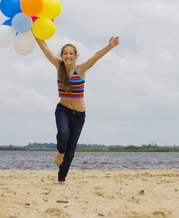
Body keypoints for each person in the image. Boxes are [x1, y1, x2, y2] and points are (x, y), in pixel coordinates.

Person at [35, 36, 120, 184]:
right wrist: (33, 29)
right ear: (61, 56)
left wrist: (110, 46)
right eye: (65, 53)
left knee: (71, 151)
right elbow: (44, 47)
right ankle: (60, 152)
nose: (68, 56)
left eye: (71, 53)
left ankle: (61, 179)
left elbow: (96, 57)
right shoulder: (58, 66)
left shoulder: (81, 69)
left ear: (75, 56)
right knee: (63, 135)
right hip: (62, 110)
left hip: (79, 116)